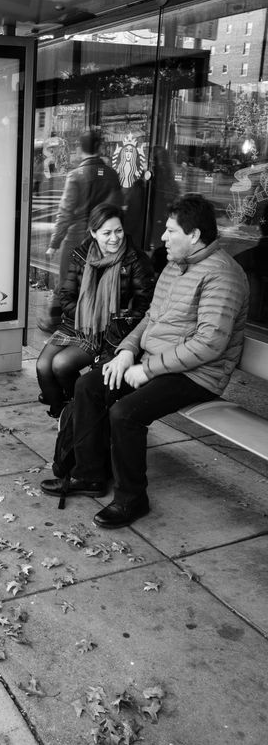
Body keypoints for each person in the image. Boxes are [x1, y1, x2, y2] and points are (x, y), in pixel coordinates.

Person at [40, 194, 249, 528]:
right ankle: (89, 475)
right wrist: (125, 351)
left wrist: (147, 368)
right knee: (89, 384)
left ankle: (131, 498)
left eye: (170, 231)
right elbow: (150, 317)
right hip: (158, 362)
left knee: (126, 413)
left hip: (198, 375)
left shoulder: (222, 275)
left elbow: (209, 344)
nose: (163, 238)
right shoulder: (175, 266)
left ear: (194, 236)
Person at [36, 203, 155, 419]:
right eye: (106, 233)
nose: (114, 238)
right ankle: (64, 413)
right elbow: (66, 293)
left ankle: (77, 413)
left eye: (118, 231)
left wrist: (109, 319)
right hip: (79, 321)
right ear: (93, 233)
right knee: (43, 366)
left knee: (61, 365)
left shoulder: (135, 260)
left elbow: (143, 307)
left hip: (110, 330)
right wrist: (84, 313)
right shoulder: (82, 254)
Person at [40, 129, 123, 331]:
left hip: (76, 237)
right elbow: (117, 207)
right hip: (102, 238)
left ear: (80, 149)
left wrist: (54, 244)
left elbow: (65, 212)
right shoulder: (111, 175)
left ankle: (58, 320)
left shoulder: (76, 175)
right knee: (96, 280)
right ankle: (91, 322)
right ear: (100, 148)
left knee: (68, 280)